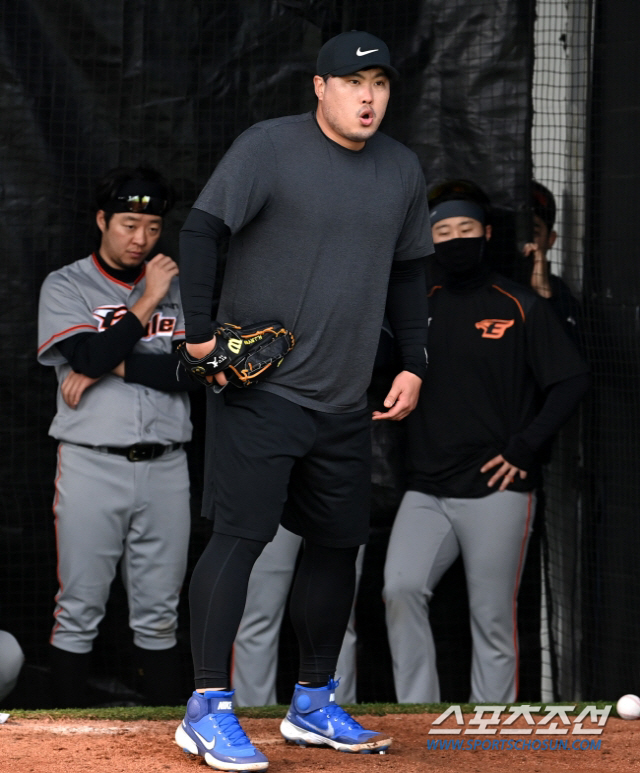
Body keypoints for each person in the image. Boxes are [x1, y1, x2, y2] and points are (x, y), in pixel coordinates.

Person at [174, 30, 432, 771]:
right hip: (263, 392)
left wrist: (414, 362)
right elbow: (201, 231)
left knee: (337, 546)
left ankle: (313, 702)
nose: (368, 98)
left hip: (345, 400)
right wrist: (199, 335)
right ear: (319, 87)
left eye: (380, 84)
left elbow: (410, 271)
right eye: (353, 83)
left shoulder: (402, 168)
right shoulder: (269, 147)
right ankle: (206, 709)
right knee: (239, 539)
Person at [383, 179, 590, 704]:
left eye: (466, 229)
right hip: (426, 487)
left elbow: (571, 380)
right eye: (443, 231)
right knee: (400, 589)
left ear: (487, 234)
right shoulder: (417, 306)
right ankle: (417, 717)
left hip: (497, 488)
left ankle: (488, 731)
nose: (455, 239)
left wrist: (525, 447)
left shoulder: (519, 304)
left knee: (493, 617)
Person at [37, 166, 197, 708]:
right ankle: (63, 743)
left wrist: (108, 363)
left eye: (153, 227)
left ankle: (165, 737)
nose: (141, 239)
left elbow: (194, 373)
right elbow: (85, 356)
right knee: (79, 607)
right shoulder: (66, 284)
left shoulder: (182, 287)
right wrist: (147, 300)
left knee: (160, 612)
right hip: (92, 463)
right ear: (102, 220)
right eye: (129, 224)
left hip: (167, 465)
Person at [232, 527, 363, 707]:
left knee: (337, 617)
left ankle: (337, 707)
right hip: (272, 510)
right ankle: (253, 713)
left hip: (338, 510)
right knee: (258, 616)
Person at [524, 181, 580, 337]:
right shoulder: (482, 287)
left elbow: (564, 346)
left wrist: (543, 292)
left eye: (533, 233)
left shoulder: (561, 295)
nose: (525, 243)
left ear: (550, 239)